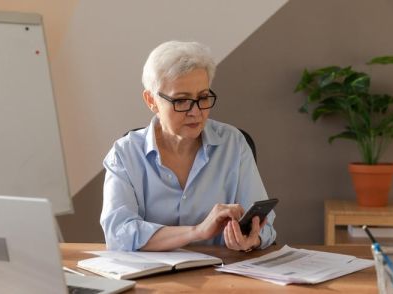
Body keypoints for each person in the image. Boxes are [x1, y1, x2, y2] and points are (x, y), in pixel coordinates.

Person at [100, 40, 276, 252]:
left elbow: (265, 227)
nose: (195, 112)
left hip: (223, 275)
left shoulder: (234, 144)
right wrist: (198, 231)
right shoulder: (124, 154)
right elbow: (118, 234)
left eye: (202, 97)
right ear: (151, 100)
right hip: (151, 278)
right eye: (181, 101)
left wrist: (252, 239)